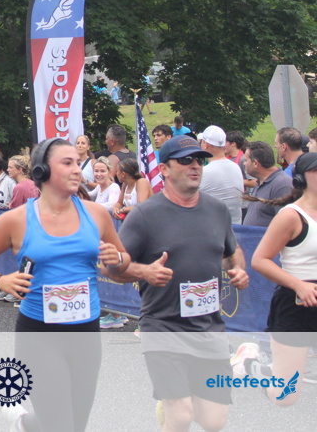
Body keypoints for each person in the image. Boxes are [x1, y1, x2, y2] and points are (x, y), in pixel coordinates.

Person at [0, 138, 129, 432]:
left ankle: (25, 424)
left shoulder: (96, 214)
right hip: (39, 334)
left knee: (75, 425)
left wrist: (116, 259)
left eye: (77, 163)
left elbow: (122, 259)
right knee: (60, 425)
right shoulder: (17, 219)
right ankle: (25, 422)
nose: (77, 169)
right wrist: (0, 280)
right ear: (42, 171)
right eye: (67, 163)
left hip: (86, 333)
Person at [110, 135, 249, 432]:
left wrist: (237, 269)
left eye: (200, 160)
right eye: (185, 160)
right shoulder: (145, 214)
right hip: (164, 326)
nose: (195, 166)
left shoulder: (216, 210)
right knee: (182, 416)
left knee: (214, 421)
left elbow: (231, 252)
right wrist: (144, 271)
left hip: (209, 328)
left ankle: (175, 403)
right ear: (164, 170)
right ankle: (176, 407)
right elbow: (112, 268)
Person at [234, 151, 317, 407]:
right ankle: (251, 366)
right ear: (302, 178)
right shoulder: (291, 216)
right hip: (296, 304)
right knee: (285, 397)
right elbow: (260, 260)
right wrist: (298, 284)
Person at [197, 125, 244, 225]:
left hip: (212, 230)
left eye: (201, 142)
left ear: (205, 145)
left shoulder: (204, 172)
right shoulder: (236, 168)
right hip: (236, 228)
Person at [244, 141, 295, 228]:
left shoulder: (282, 185)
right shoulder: (261, 181)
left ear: (255, 163)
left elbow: (287, 226)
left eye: (246, 160)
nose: (244, 163)